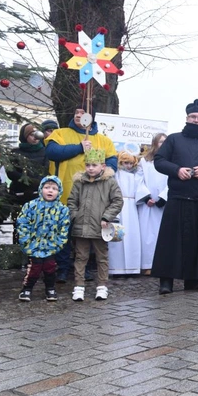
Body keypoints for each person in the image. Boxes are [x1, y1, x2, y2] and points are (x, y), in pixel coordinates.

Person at [151, 99, 198, 294]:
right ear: (187, 118)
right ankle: (166, 281)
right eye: (193, 117)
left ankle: (194, 280)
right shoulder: (174, 139)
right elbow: (159, 161)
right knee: (170, 242)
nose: (196, 120)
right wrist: (177, 170)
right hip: (176, 197)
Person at [46, 106, 117, 283]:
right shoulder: (60, 133)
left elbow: (112, 162)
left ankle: (83, 268)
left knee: (86, 235)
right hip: (64, 194)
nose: (79, 115)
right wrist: (79, 147)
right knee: (63, 234)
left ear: (91, 117)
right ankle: (62, 269)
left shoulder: (104, 140)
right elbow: (52, 152)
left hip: (92, 198)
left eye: (83, 113)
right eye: (76, 112)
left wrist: (103, 174)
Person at [67, 149, 124, 302]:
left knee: (102, 257)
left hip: (101, 227)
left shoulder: (109, 182)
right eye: (87, 165)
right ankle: (79, 286)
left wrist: (107, 216)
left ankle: (102, 286)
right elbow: (72, 201)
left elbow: (117, 201)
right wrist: (75, 215)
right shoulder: (79, 182)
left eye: (94, 165)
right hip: (82, 227)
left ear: (103, 166)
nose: (90, 168)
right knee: (80, 257)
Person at [16, 176, 70, 302]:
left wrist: (58, 244)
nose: (50, 191)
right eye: (47, 188)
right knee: (35, 268)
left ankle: (50, 288)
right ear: (41, 189)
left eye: (54, 188)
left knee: (50, 267)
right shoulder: (31, 206)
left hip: (51, 246)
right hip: (33, 245)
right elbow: (23, 223)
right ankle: (27, 288)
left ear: (59, 191)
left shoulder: (62, 209)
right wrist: (26, 241)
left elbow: (64, 228)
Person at [109, 151, 150, 277]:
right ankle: (116, 268)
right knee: (118, 237)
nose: (128, 166)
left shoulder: (136, 174)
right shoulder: (116, 174)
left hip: (132, 208)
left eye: (131, 163)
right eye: (125, 163)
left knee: (132, 236)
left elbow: (140, 188)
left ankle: (133, 267)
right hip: (118, 206)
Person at [137, 133, 168, 275]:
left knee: (163, 235)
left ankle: (162, 265)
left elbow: (173, 181)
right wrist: (146, 197)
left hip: (163, 205)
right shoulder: (145, 161)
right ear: (155, 143)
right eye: (161, 141)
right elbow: (139, 179)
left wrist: (162, 198)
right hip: (148, 205)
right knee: (147, 236)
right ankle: (147, 265)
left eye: (165, 141)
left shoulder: (172, 161)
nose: (163, 144)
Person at [7, 124, 48, 206]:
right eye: (32, 135)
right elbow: (11, 172)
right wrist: (26, 180)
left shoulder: (45, 152)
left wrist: (38, 181)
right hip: (19, 193)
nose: (35, 138)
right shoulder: (16, 153)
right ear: (25, 136)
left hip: (39, 193)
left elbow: (47, 169)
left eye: (36, 134)